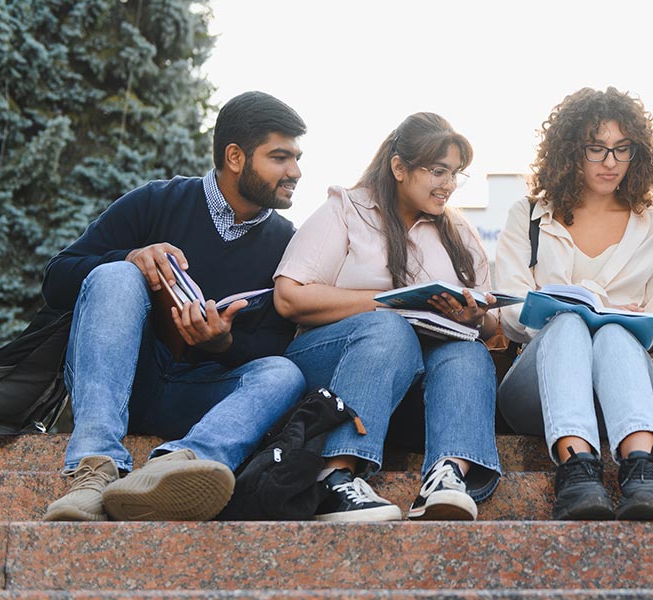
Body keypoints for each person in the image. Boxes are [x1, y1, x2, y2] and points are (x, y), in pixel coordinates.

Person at [41, 91, 308, 522]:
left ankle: (175, 467)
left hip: (202, 399)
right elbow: (57, 278)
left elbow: (277, 343)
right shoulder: (156, 201)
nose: (295, 171)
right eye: (280, 157)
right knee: (116, 274)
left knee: (286, 373)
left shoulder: (288, 242)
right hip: (122, 381)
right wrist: (129, 257)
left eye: (296, 157)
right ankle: (93, 471)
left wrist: (224, 344)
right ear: (235, 156)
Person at [273, 112, 501, 522]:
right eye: (438, 171)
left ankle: (447, 475)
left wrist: (473, 317)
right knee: (388, 326)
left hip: (420, 386)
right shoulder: (346, 209)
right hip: (334, 367)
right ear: (399, 167)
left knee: (468, 353)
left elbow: (491, 327)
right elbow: (289, 297)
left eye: (455, 174)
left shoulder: (460, 234)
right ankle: (335, 477)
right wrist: (385, 303)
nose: (448, 185)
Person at [495, 87, 653, 521]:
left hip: (626, 392)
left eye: (622, 149)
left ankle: (643, 471)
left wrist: (609, 321)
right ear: (569, 151)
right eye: (596, 149)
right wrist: (581, 311)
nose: (611, 162)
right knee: (566, 325)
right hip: (538, 389)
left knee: (617, 333)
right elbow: (509, 308)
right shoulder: (528, 215)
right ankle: (577, 470)